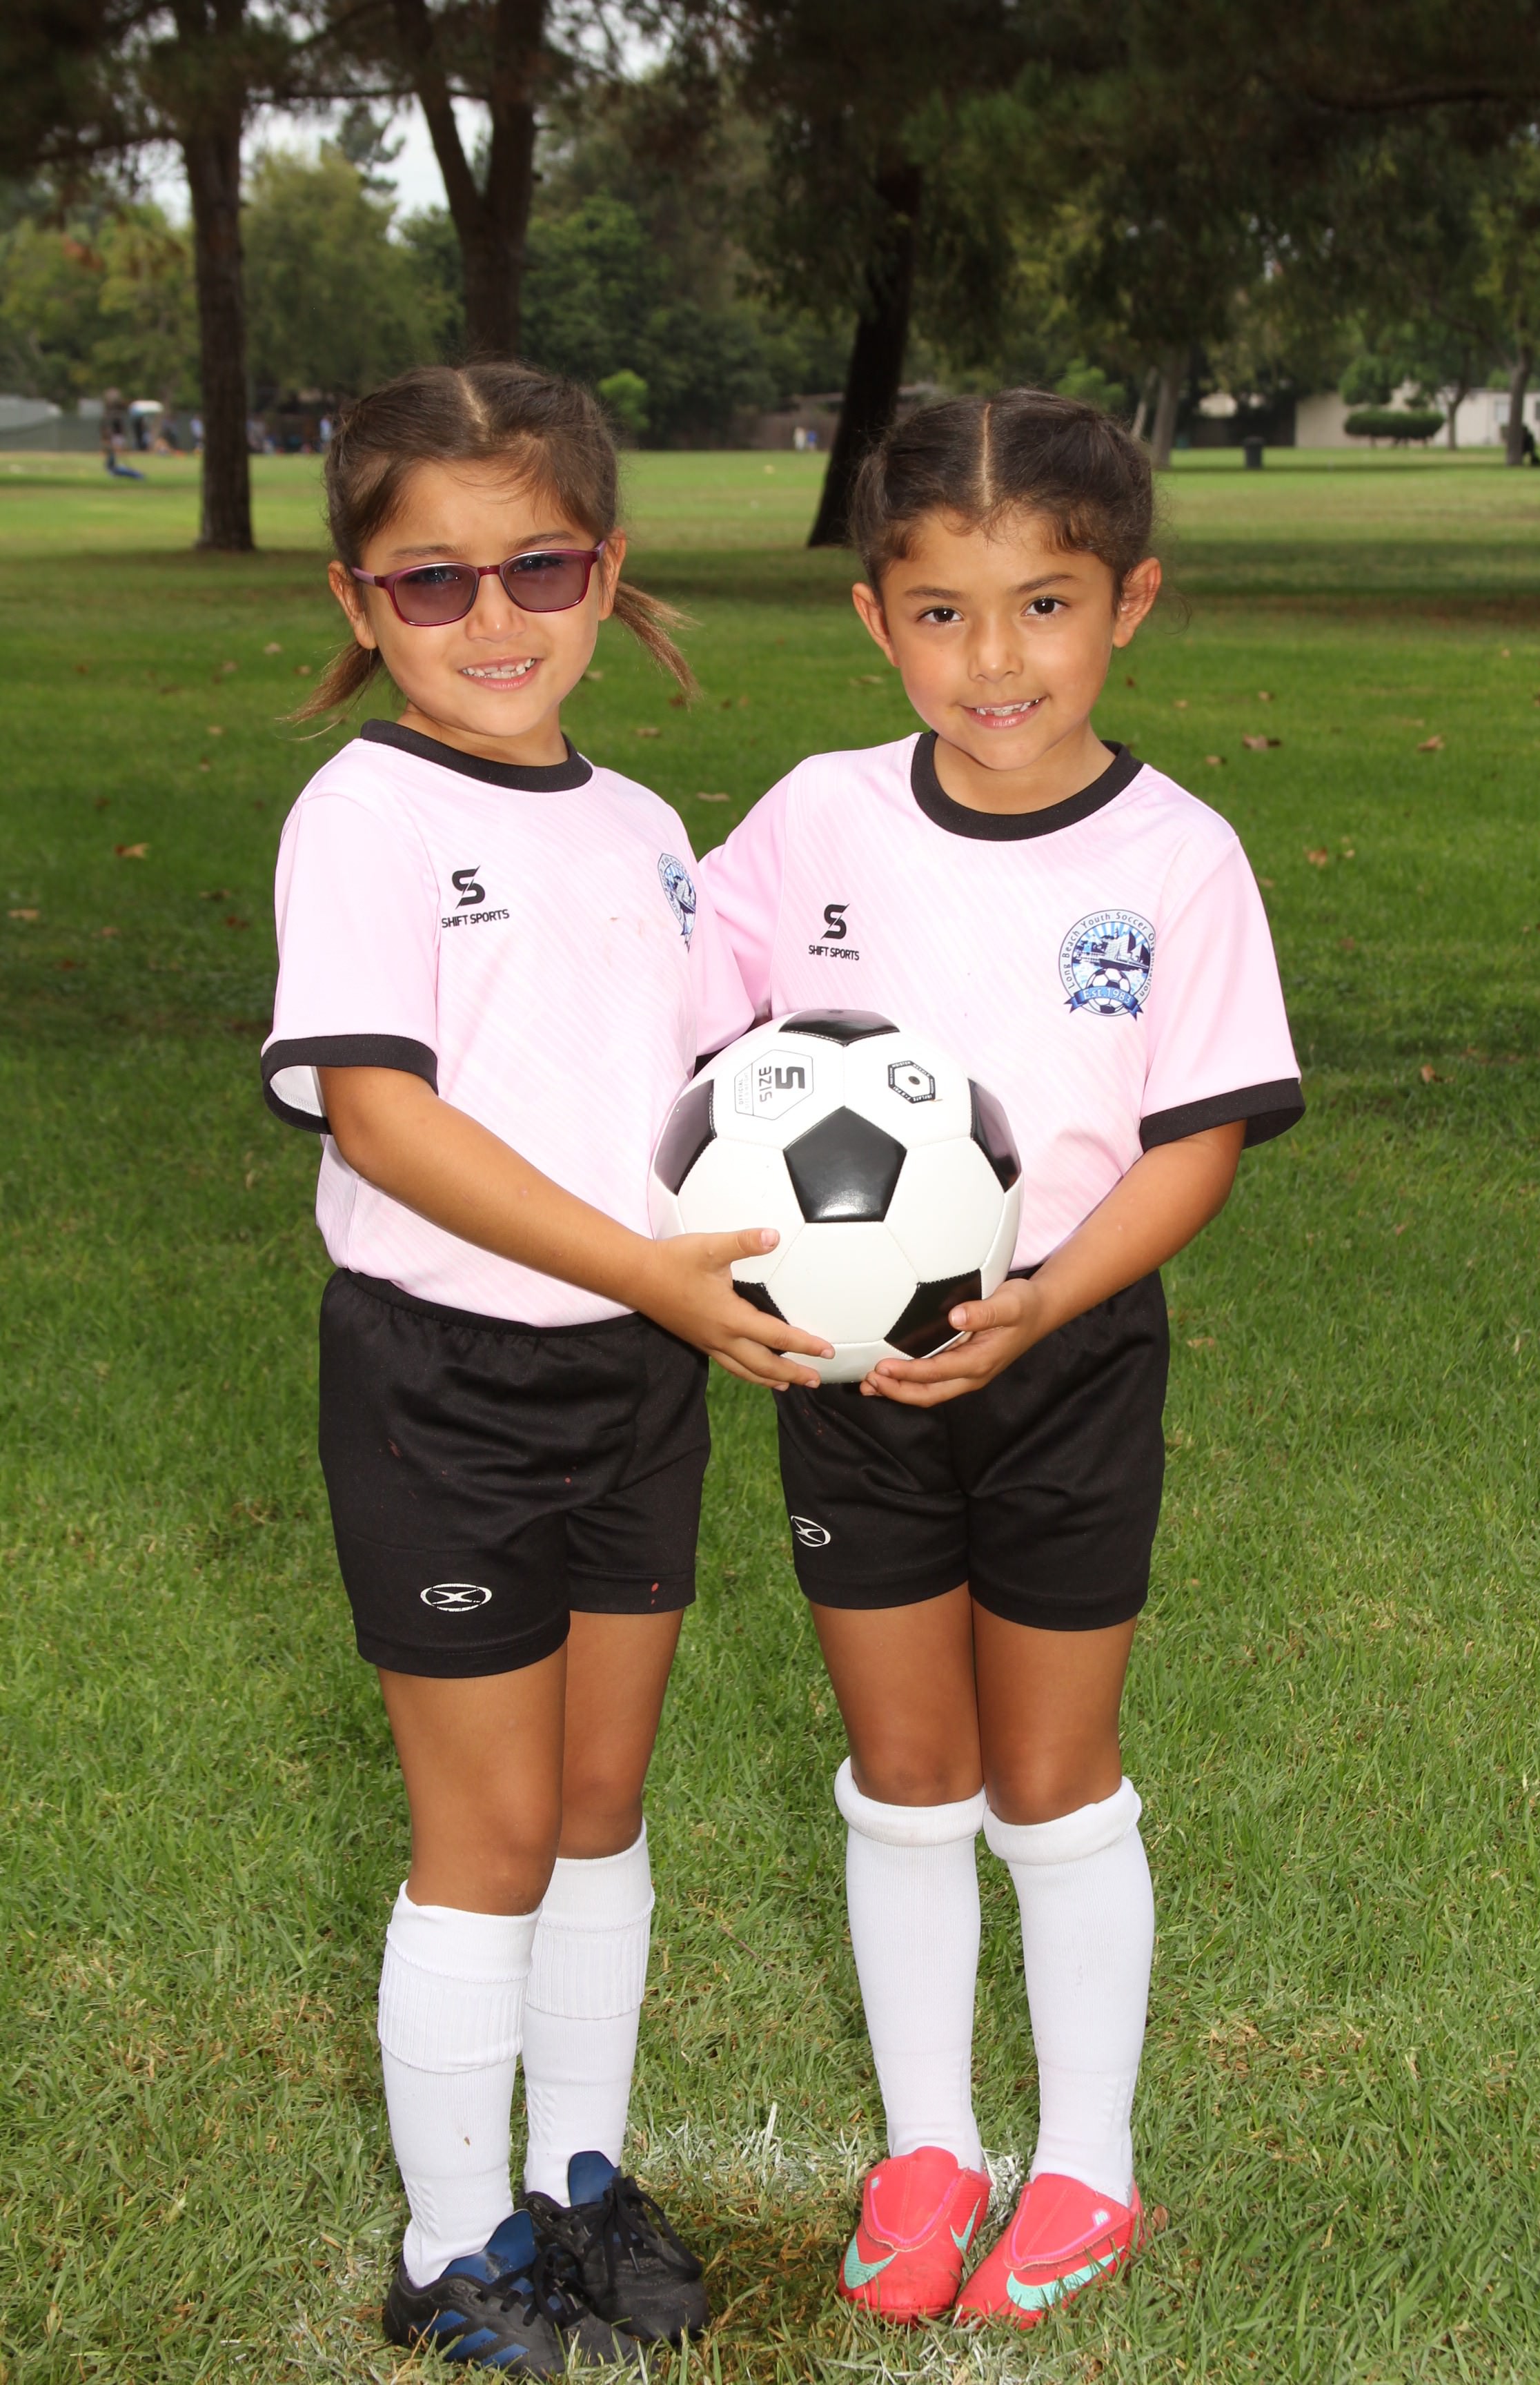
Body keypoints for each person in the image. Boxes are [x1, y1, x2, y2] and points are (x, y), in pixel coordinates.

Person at [700, 389, 1303, 2330]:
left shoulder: (1181, 857)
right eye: (942, 613)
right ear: (876, 619)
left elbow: (1196, 1137)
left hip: (1068, 1349)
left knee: (1049, 1777)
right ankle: (931, 2146)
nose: (996, 660)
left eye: (1044, 605)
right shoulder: (814, 820)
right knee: (905, 1771)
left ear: (1132, 602)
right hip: (850, 1370)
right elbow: (695, 1051)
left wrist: (1048, 1297)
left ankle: (1089, 2167)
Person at [261, 362, 829, 2373]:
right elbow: (385, 1118)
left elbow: (699, 1093)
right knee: (487, 1841)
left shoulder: (648, 828)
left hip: (633, 1377)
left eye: (541, 568)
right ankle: (450, 2249)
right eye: (433, 580)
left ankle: (578, 2183)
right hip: (446, 1383)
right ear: (360, 601)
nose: (492, 618)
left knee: (598, 1807)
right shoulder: (365, 815)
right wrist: (650, 1275)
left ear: (608, 571)